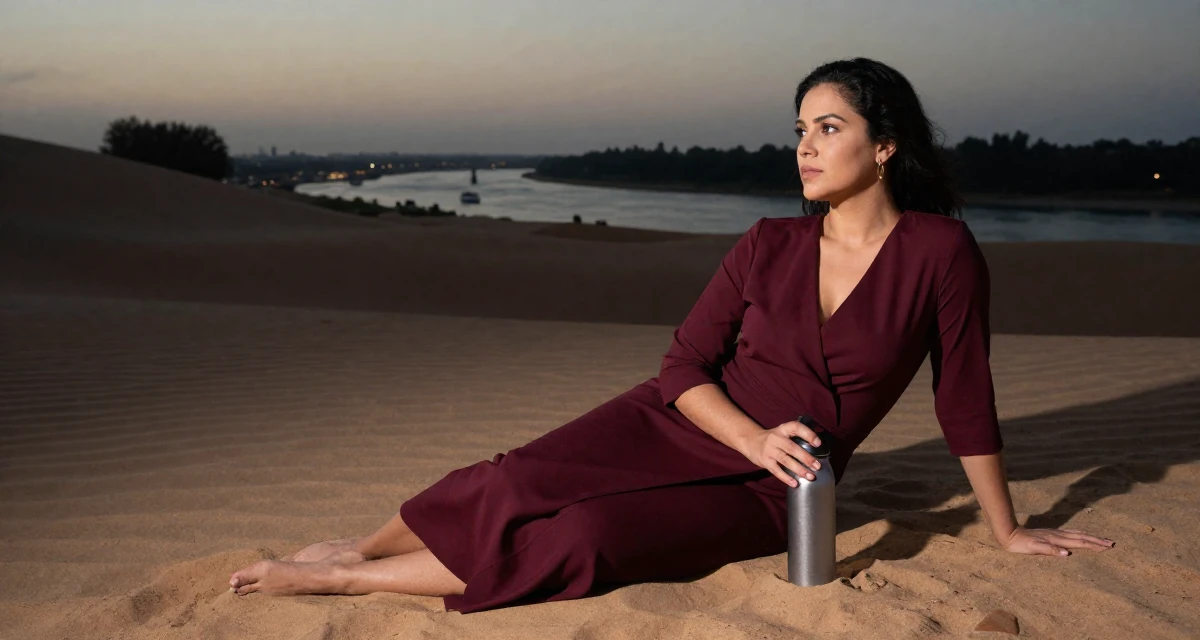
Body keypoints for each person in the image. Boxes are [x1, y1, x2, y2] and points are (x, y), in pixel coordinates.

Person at [229, 58, 1115, 610]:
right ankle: (360, 545)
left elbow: (964, 395)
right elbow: (684, 364)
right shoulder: (770, 241)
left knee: (581, 543)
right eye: (799, 130)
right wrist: (751, 433)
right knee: (514, 479)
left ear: (885, 147)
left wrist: (1004, 530)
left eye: (829, 128)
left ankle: (341, 580)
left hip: (784, 488)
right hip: (691, 419)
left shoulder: (941, 251)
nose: (805, 147)